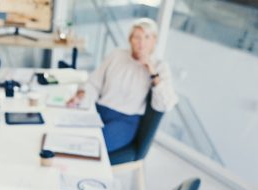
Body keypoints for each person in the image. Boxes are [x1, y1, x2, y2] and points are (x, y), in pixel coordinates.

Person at [67, 18, 178, 152]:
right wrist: (80, 96)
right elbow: (93, 83)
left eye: (147, 37)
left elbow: (165, 104)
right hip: (99, 110)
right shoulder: (117, 55)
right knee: (70, 136)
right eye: (137, 37)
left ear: (154, 40)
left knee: (91, 145)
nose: (141, 43)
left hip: (125, 120)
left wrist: (152, 73)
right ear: (130, 39)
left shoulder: (160, 67)